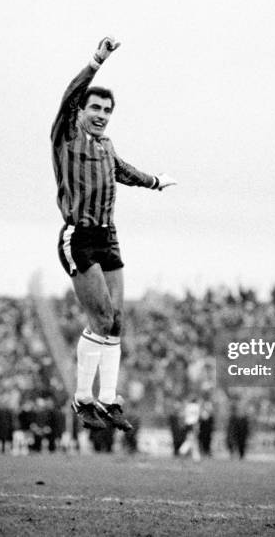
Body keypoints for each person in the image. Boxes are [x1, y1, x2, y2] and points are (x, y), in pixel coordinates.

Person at [50, 36, 177, 432]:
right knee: (101, 316)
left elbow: (121, 171)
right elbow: (69, 96)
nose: (102, 114)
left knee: (115, 321)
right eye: (95, 107)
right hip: (80, 237)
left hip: (109, 237)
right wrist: (96, 61)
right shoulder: (66, 137)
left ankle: (105, 401)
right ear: (82, 111)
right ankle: (84, 398)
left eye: (107, 109)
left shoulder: (105, 145)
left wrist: (155, 181)